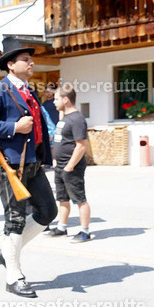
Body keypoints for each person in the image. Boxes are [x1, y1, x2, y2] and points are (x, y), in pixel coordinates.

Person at [0, 36, 58, 298]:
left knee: (48, 211)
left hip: (31, 162)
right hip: (6, 163)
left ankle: (6, 252)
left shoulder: (29, 91)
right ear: (10, 65)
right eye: (25, 59)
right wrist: (13, 128)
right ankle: (14, 276)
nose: (31, 62)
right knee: (16, 219)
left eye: (30, 58)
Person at [46, 85, 91, 242]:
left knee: (79, 199)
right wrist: (56, 160)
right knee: (62, 199)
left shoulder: (77, 119)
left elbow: (81, 146)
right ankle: (61, 228)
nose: (53, 101)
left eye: (56, 98)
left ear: (66, 100)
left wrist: (70, 165)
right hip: (60, 166)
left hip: (71, 167)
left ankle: (85, 231)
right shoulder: (64, 118)